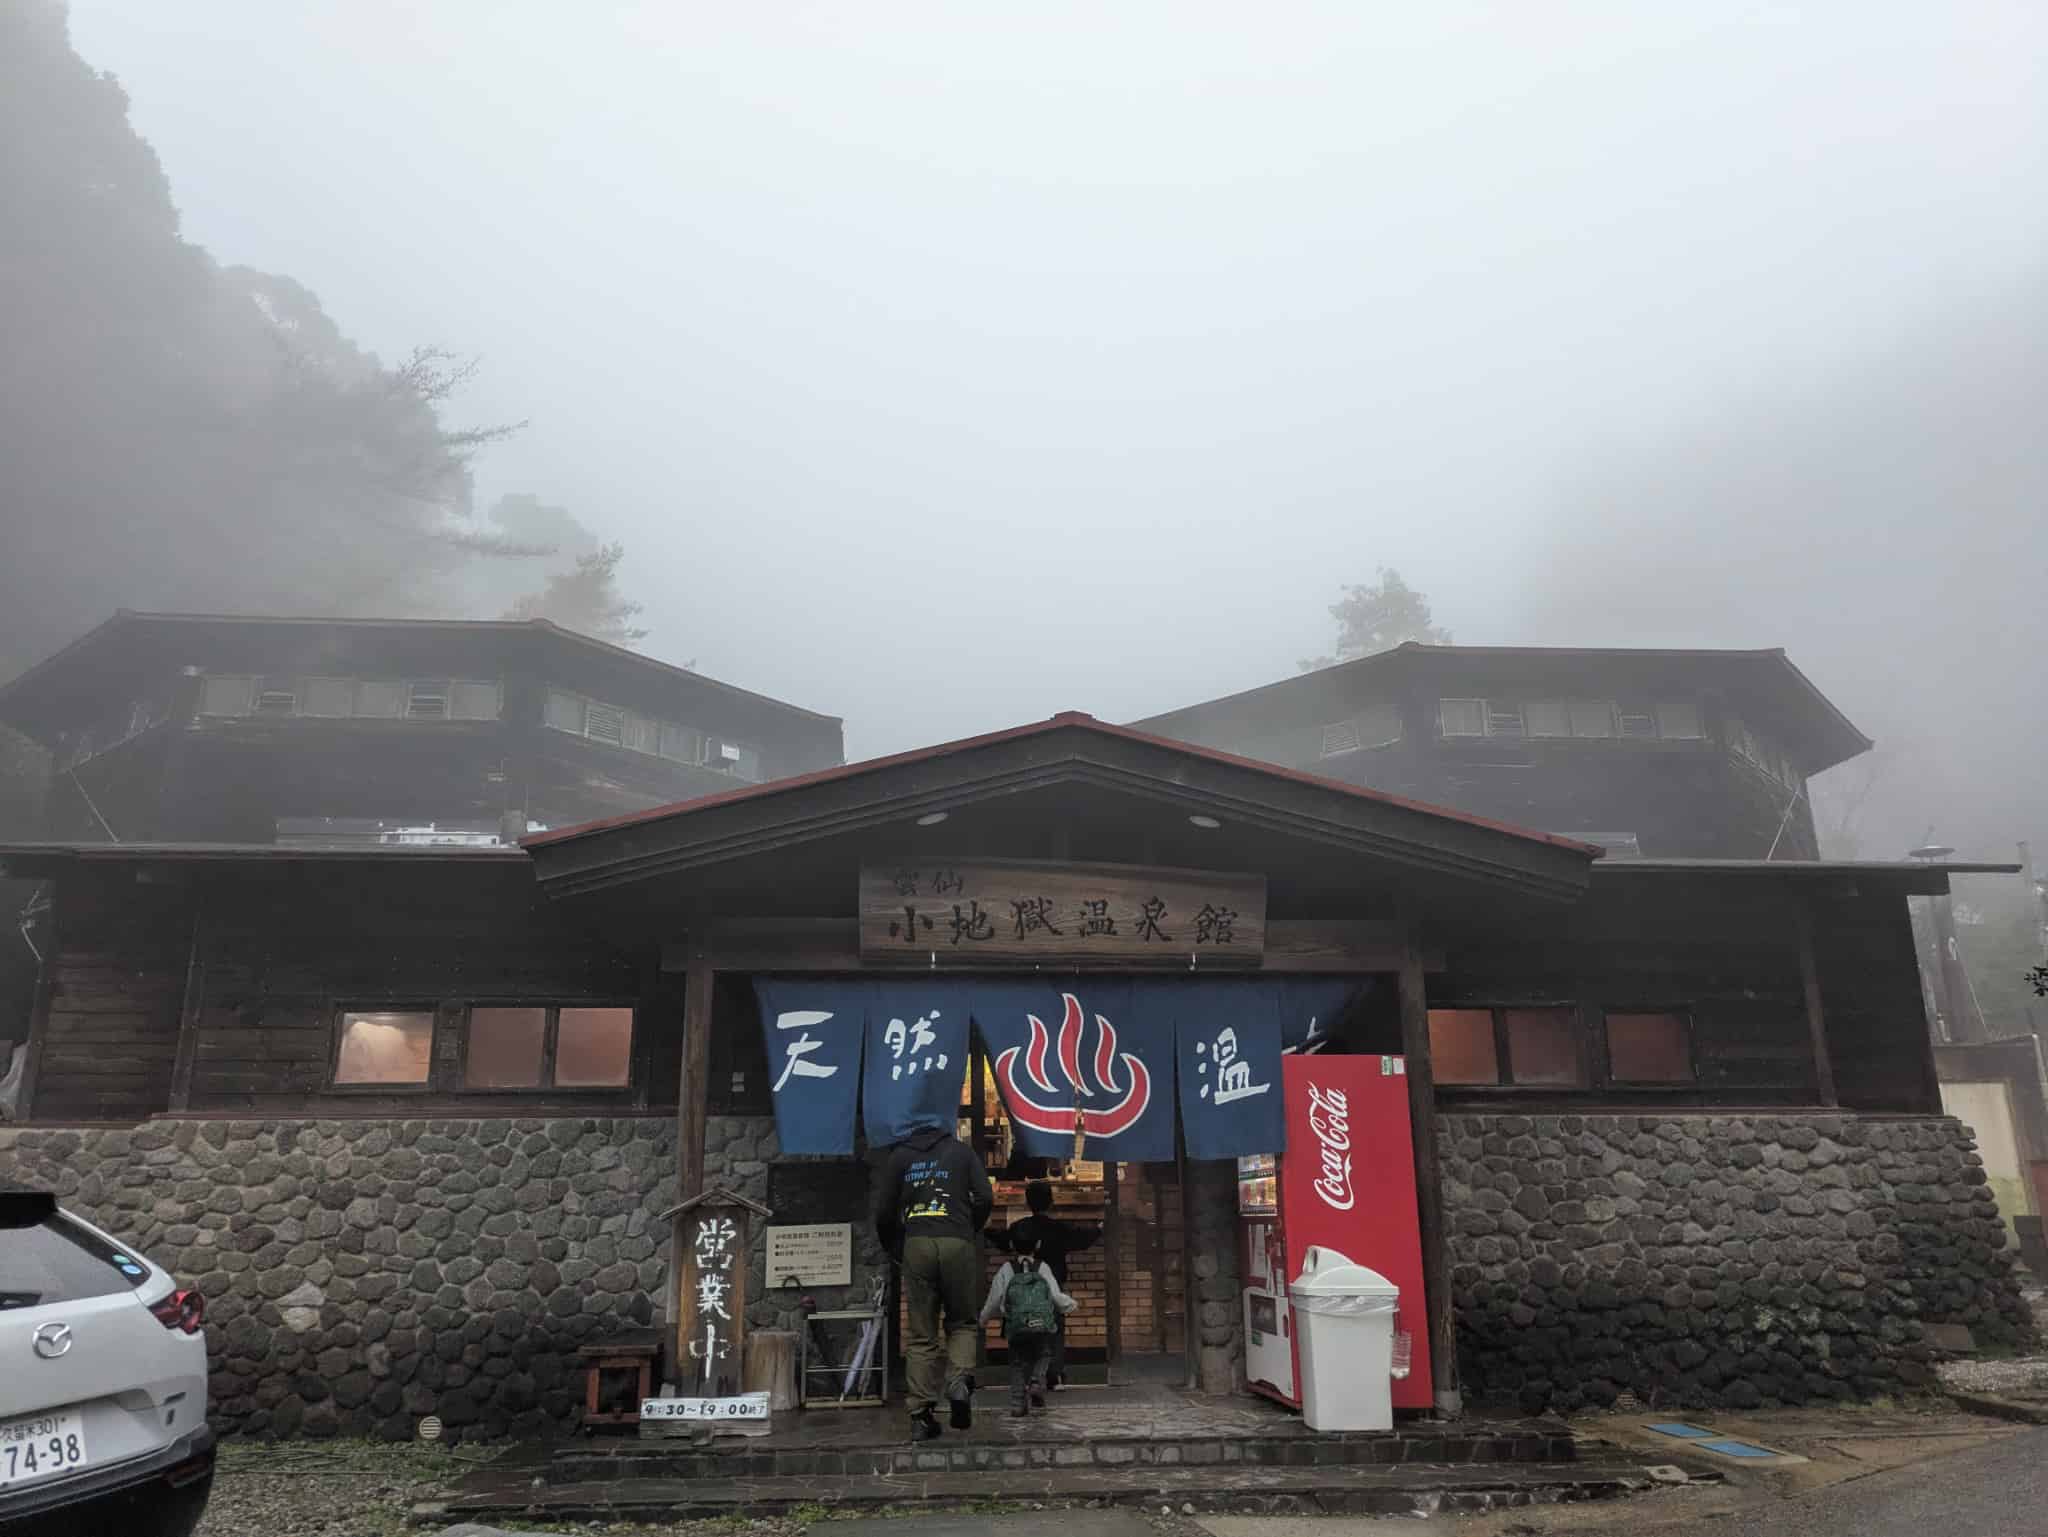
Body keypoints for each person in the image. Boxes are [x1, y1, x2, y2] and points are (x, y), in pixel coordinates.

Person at [873, 1123, 993, 1441]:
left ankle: (921, 1417)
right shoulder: (962, 1153)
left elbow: (883, 1212)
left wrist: (896, 1248)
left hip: (918, 1242)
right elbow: (984, 1197)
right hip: (957, 1241)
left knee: (922, 1333)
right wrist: (968, 1228)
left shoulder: (900, 1157)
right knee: (963, 1322)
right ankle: (957, 1382)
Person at [1003, 1179, 1099, 1389]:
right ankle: (1054, 1375)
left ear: (1028, 1202)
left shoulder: (1019, 1227)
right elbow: (1082, 1239)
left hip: (1021, 1288)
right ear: (1051, 1202)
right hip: (1052, 1286)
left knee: (1024, 1331)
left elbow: (1003, 1240)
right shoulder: (1059, 1228)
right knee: (1054, 1330)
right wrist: (1099, 1227)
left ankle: (1027, 1376)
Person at [978, 1228, 1075, 1415]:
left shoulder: (1007, 1268)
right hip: (1040, 1325)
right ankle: (1037, 1381)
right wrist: (1070, 1305)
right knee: (1045, 1354)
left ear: (1012, 1245)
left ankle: (1017, 1404)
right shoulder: (1042, 1267)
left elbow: (995, 1298)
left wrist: (983, 1320)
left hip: (1015, 1326)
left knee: (1016, 1363)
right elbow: (1054, 1295)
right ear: (1038, 1245)